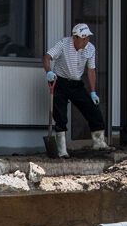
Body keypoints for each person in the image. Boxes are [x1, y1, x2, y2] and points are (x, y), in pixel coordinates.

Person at [44, 22, 109, 156]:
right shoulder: (63, 44)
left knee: (92, 109)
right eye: (83, 38)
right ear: (75, 37)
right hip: (60, 82)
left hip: (76, 83)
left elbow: (91, 70)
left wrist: (93, 92)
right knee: (60, 114)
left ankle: (99, 143)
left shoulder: (90, 48)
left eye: (87, 38)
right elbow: (47, 57)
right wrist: (49, 72)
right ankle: (62, 150)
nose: (86, 41)